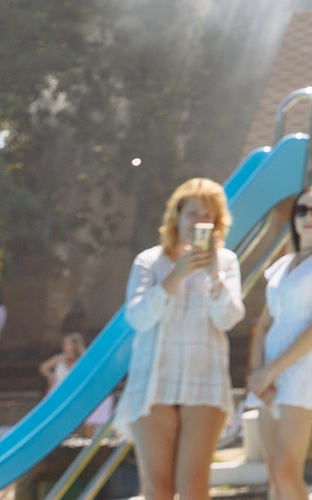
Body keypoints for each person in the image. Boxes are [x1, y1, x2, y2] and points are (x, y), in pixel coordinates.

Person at [118, 178, 244, 500]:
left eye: (208, 215)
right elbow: (137, 318)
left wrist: (214, 276)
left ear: (217, 222)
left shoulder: (226, 261)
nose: (200, 221)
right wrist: (176, 276)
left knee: (193, 487)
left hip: (205, 382)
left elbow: (228, 318)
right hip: (153, 384)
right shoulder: (149, 262)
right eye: (192, 213)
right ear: (176, 214)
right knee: (158, 489)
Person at [246, 184, 312, 500]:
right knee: (273, 478)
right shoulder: (280, 266)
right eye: (302, 209)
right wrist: (256, 373)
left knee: (286, 470)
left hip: (302, 367)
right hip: (269, 375)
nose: (308, 216)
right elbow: (264, 323)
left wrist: (270, 372)